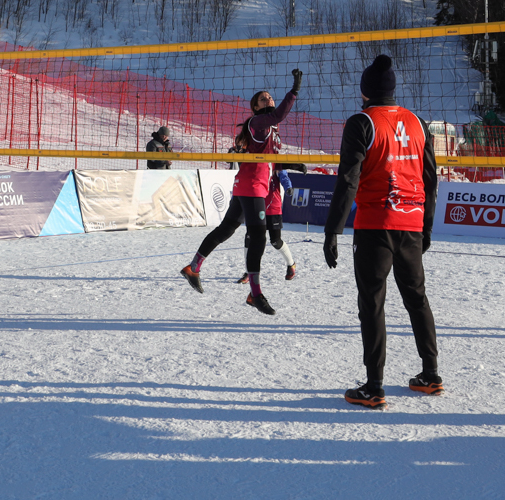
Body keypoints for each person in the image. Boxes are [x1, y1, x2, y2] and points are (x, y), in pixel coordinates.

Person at [323, 55, 441, 409]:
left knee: (372, 302)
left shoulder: (361, 121)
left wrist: (332, 230)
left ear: (364, 92)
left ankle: (374, 385)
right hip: (412, 222)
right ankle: (430, 375)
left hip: (376, 224)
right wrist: (427, 224)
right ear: (393, 90)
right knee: (416, 299)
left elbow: (348, 180)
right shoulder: (418, 122)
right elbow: (430, 180)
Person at [179, 69, 302, 314]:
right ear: (256, 108)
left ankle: (193, 268)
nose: (269, 99)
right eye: (263, 98)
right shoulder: (259, 122)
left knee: (226, 230)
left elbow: (270, 160)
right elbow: (280, 114)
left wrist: (291, 164)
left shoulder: (272, 130)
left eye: (270, 97)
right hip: (252, 185)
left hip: (250, 184)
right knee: (259, 237)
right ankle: (255, 294)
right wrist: (294, 91)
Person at [238, 162, 307, 284]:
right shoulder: (256, 158)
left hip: (273, 207)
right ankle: (249, 271)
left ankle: (291, 264)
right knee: (249, 238)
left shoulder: (275, 160)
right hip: (256, 205)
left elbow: (284, 176)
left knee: (275, 241)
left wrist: (288, 187)